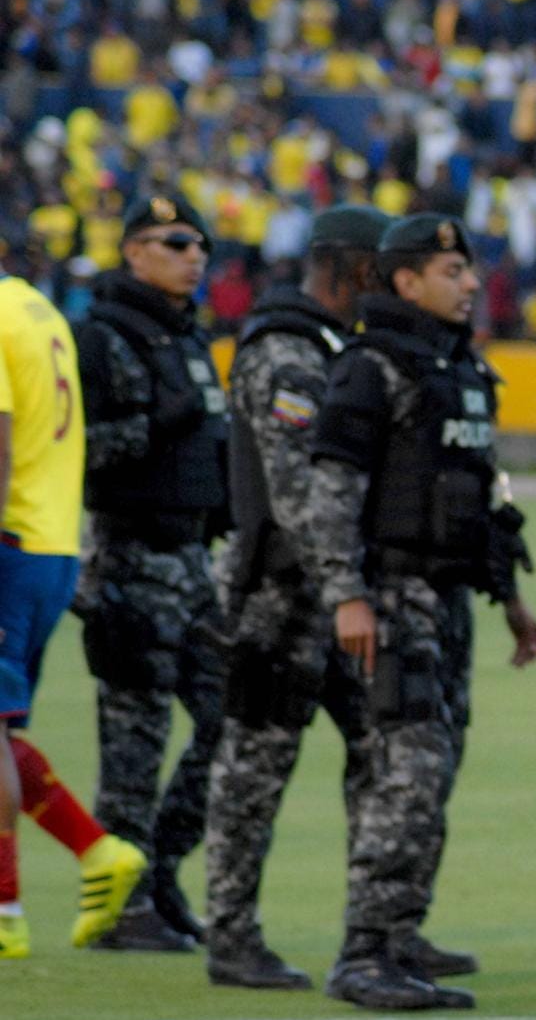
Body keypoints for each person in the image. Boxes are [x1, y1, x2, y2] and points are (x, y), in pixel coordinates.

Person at [309, 212, 536, 1010]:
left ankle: (400, 934)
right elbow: (329, 495)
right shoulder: (371, 367)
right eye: (452, 271)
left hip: (447, 602)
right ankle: (363, 951)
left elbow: (482, 498)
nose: (471, 282)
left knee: (433, 773)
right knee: (404, 775)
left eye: (470, 269)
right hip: (391, 597)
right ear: (403, 280)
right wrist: (346, 593)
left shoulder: (459, 368)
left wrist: (509, 595)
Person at [200, 205, 391, 990]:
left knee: (382, 757)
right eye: (384, 271)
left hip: (333, 594)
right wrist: (347, 586)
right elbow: (298, 495)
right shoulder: (285, 351)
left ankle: (378, 933)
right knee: (253, 770)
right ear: (352, 270)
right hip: (278, 597)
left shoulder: (334, 346)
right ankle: (231, 935)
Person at [71, 192, 231, 952]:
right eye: (175, 241)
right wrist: (157, 426)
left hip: (194, 558)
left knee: (234, 716)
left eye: (200, 243)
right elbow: (80, 449)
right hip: (131, 554)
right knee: (134, 740)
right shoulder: (100, 338)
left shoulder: (186, 336)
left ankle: (160, 869)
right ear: (134, 250)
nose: (194, 254)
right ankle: (124, 904)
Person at [0, 275, 147, 958]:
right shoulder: (37, 307)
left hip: (11, 541)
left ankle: (5, 910)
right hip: (52, 540)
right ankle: (96, 852)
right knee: (3, 730)